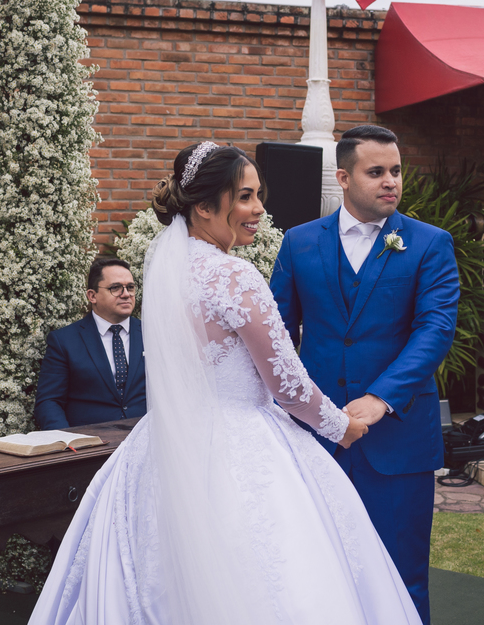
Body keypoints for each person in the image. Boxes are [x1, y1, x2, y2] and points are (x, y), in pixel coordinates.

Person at [28, 142, 422, 625]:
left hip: (165, 442)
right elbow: (287, 385)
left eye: (259, 196)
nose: (259, 210)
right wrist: (340, 425)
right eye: (244, 198)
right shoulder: (235, 275)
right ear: (204, 207)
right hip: (243, 442)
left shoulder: (167, 267)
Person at [270, 124, 460, 624]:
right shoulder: (299, 243)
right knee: (319, 564)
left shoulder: (429, 243)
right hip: (316, 436)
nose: (390, 181)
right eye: (376, 172)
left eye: (395, 171)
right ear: (343, 177)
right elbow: (275, 337)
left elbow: (435, 331)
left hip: (398, 439)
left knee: (401, 570)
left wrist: (382, 398)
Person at [34, 256, 146, 429]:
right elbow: (49, 401)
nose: (126, 294)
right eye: (115, 288)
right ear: (92, 296)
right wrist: (67, 443)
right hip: (90, 445)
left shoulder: (151, 334)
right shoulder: (64, 341)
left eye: (130, 287)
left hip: (146, 440)